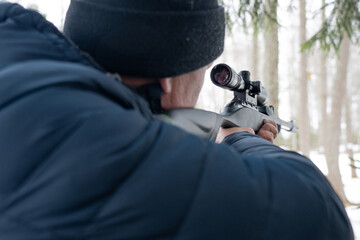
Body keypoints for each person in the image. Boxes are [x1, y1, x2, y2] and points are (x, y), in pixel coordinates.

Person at [0, 0, 354, 239]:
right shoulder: (105, 148)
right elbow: (317, 215)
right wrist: (240, 139)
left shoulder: (19, 64)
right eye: (199, 72)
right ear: (167, 79)